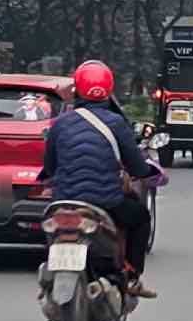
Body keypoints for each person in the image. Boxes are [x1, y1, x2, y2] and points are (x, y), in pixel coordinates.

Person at [39, 60, 157, 297]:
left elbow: (50, 167)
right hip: (106, 201)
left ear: (77, 90)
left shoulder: (60, 124)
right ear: (109, 90)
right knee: (141, 217)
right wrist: (146, 172)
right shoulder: (116, 123)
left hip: (64, 200)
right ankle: (132, 276)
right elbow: (136, 165)